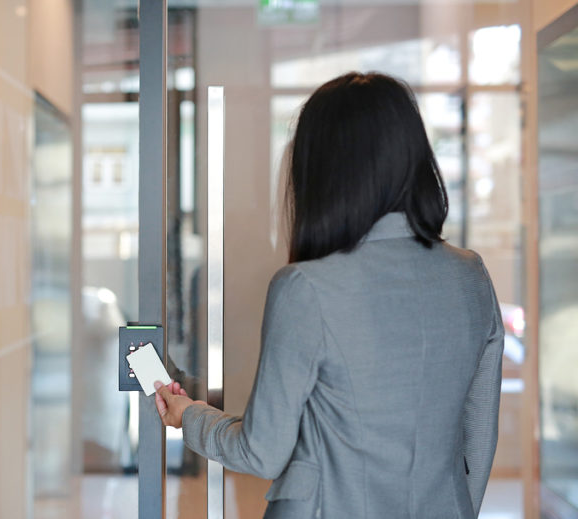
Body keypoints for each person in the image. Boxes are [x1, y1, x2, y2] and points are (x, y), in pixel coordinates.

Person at [153, 71, 504, 519]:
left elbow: (262, 452)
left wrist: (190, 416)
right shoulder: (471, 276)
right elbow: (479, 438)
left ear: (321, 171)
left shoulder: (306, 288)